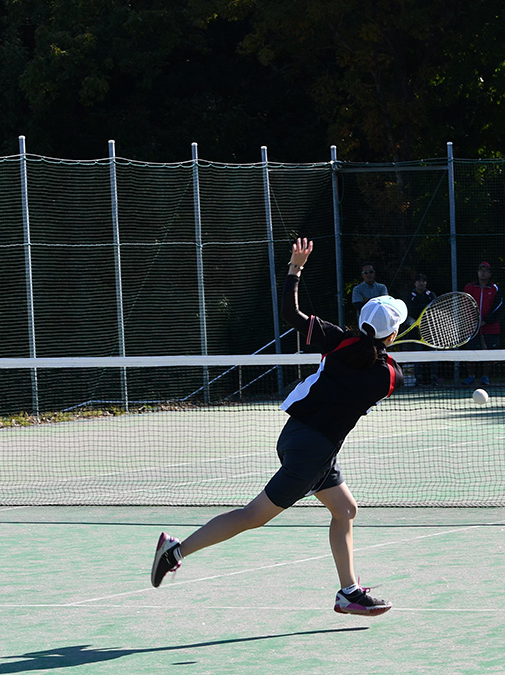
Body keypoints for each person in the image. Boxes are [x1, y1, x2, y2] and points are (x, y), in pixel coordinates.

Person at [150, 238, 404, 616]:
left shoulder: (338, 339)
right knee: (252, 516)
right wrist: (385, 350)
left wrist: (295, 269)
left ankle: (348, 591)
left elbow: (292, 313)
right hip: (313, 451)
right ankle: (176, 550)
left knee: (345, 510)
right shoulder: (387, 376)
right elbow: (384, 368)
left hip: (296, 436)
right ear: (392, 335)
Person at [463, 261, 503, 386]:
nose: (483, 273)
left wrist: (486, 321)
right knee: (470, 352)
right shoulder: (469, 287)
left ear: (490, 274)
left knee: (489, 352)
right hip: (472, 327)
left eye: (486, 271)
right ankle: (471, 377)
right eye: (481, 270)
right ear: (478, 272)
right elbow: (464, 305)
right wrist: (473, 321)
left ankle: (485, 377)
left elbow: (498, 308)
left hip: (491, 327)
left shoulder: (495, 289)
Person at [404, 273, 437, 385]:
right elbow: (411, 310)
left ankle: (433, 379)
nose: (421, 283)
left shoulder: (431, 295)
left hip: (430, 332)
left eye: (423, 281)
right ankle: (418, 380)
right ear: (415, 283)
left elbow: (433, 309)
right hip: (415, 333)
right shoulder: (410, 296)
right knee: (418, 356)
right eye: (419, 281)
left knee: (432, 356)